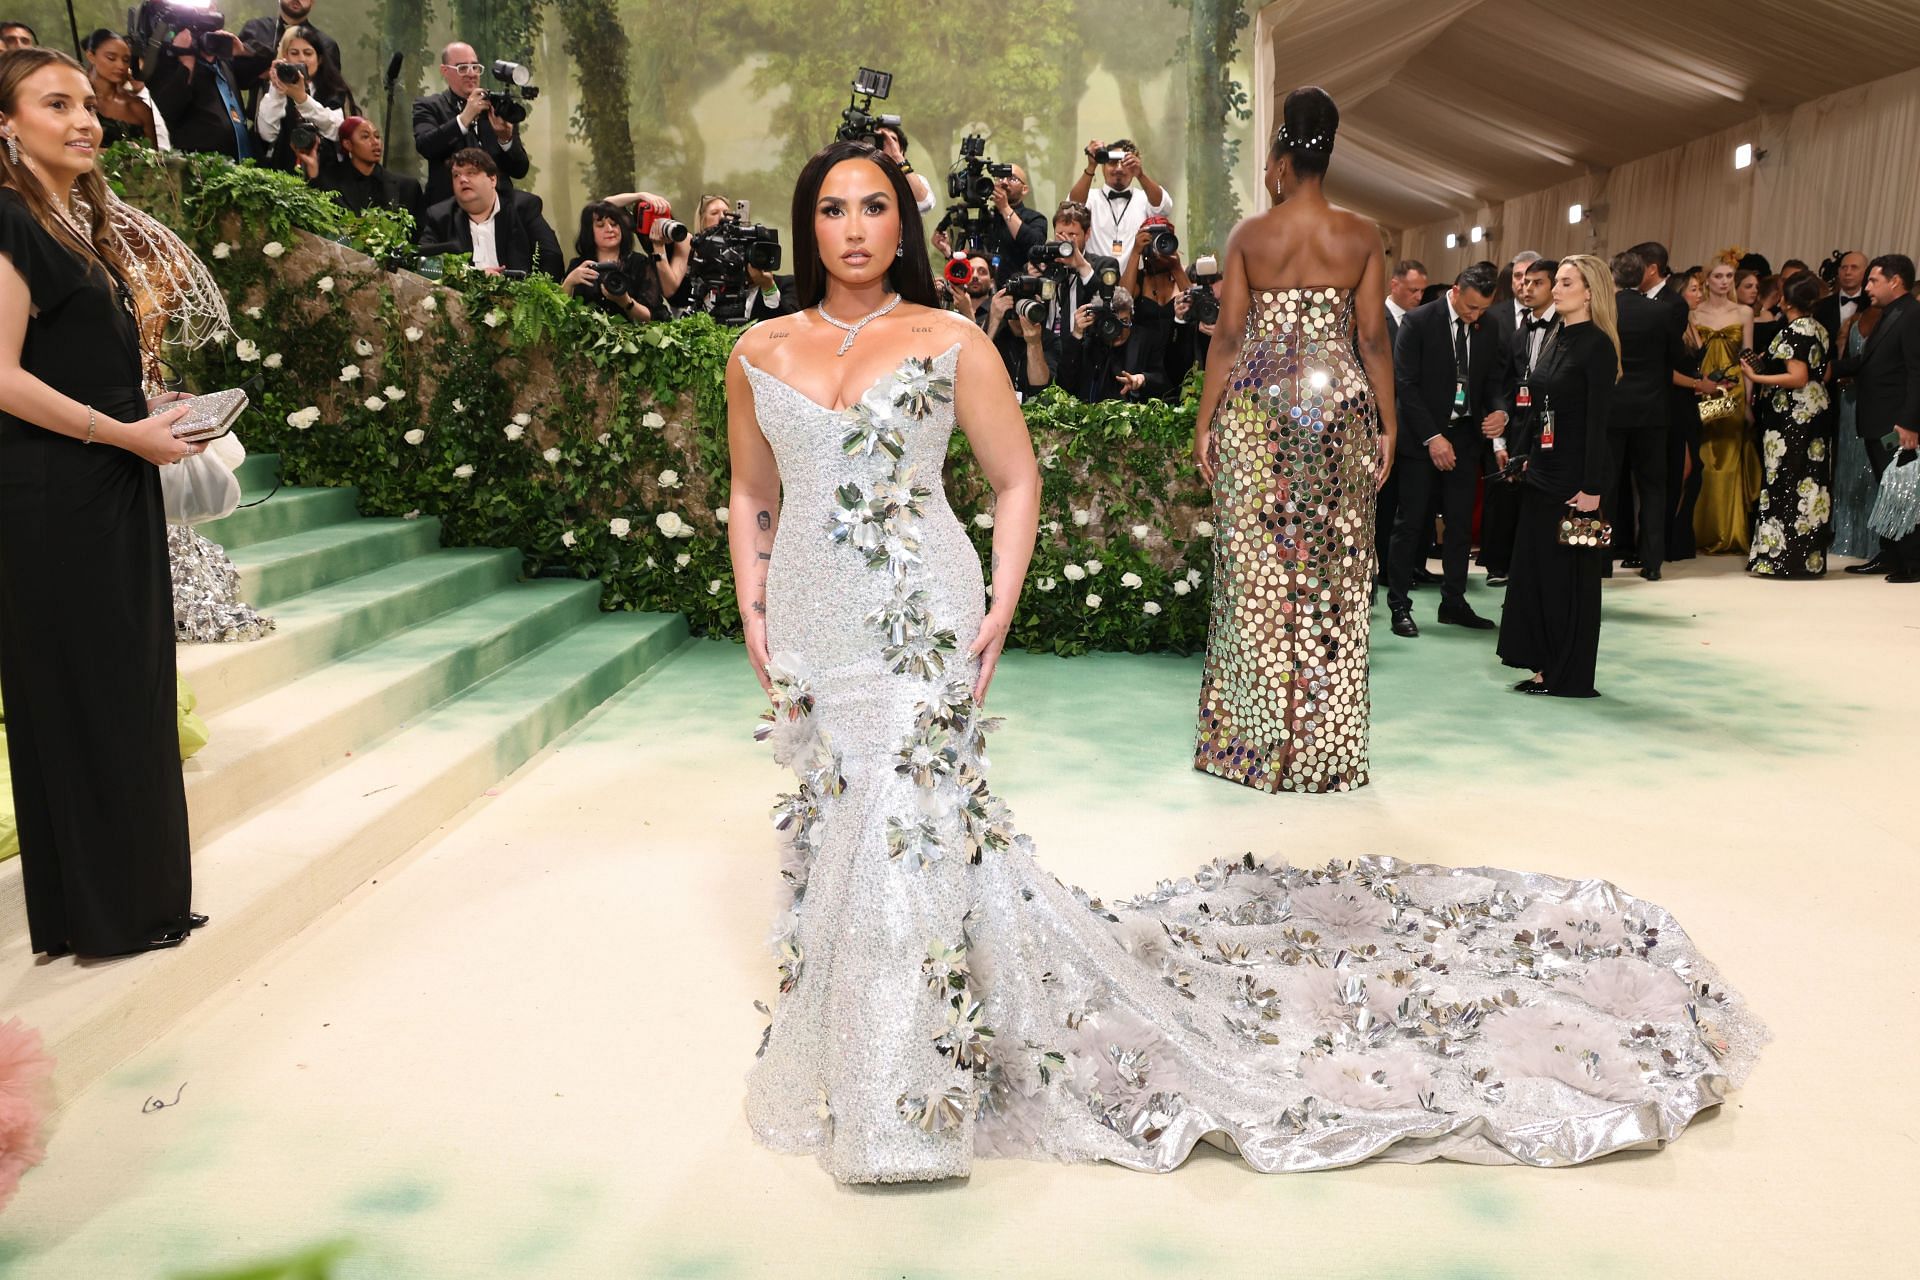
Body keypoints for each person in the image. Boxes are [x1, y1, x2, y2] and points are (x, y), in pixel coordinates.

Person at [728, 134, 1764, 1187]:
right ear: (807, 225)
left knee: (903, 831)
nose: (853, 229)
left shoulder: (950, 338)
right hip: (817, 625)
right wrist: (753, 598)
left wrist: (997, 601)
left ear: (902, 224)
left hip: (921, 618)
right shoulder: (759, 350)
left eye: (872, 207)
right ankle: (878, 1029)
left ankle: (900, 1108)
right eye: (831, 210)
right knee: (849, 820)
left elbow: (1013, 478)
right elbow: (753, 493)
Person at [0, 48, 208, 958]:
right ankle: (105, 913)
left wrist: (147, 413)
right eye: (57, 104)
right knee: (87, 695)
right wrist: (124, 434)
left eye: (88, 103)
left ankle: (136, 900)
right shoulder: (9, 221)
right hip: (57, 499)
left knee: (127, 693)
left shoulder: (72, 221)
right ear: (7, 125)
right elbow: (0, 379)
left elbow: (75, 363)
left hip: (105, 483)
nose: (85, 119)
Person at [1189, 86, 1394, 792]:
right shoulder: (1363, 234)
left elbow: (1227, 337)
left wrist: (1205, 422)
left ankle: (1250, 745)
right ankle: (1323, 748)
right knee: (1333, 570)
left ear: (1279, 157)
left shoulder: (1251, 236)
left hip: (1259, 401)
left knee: (1255, 570)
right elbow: (1370, 337)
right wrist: (1388, 424)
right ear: (1329, 156)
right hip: (1336, 404)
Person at [1498, 255, 1619, 698]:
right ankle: (1544, 666)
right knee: (1536, 573)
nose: (1558, 288)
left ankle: (1568, 675)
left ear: (1590, 292)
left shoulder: (1598, 346)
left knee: (1569, 577)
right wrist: (1526, 453)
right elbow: (1537, 405)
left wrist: (1592, 489)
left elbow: (1597, 426)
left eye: (1567, 282)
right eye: (1560, 281)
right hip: (1543, 471)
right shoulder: (1554, 337)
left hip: (1575, 478)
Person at [1386, 260, 1507, 638]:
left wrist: (1500, 411)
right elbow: (1405, 386)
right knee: (1410, 525)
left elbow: (1494, 380)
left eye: (1483, 309)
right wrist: (1432, 438)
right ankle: (1399, 605)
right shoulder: (1419, 322)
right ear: (1455, 291)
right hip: (1422, 441)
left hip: (1466, 439)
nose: (1475, 316)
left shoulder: (1490, 326)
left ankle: (1453, 601)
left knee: (1458, 528)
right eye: (1471, 307)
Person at [1741, 271, 1835, 577]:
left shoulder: (1795, 330)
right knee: (1809, 482)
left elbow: (1797, 376)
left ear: (1785, 298)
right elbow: (1825, 371)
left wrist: (1757, 377)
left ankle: (1780, 558)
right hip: (1815, 409)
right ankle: (1806, 559)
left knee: (1785, 480)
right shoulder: (1818, 328)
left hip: (1793, 415)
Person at [1833, 254, 1920, 580]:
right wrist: (1830, 369)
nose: (1867, 286)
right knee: (1888, 490)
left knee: (1902, 490)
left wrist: (1911, 423)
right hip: (1879, 418)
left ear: (1895, 281)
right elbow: (1868, 361)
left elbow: (1917, 372)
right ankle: (1891, 555)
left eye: (1873, 280)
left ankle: (1912, 561)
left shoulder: (1912, 315)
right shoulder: (1889, 313)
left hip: (1896, 422)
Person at [1605, 250, 1688, 581]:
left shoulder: (1606, 313)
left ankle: (1599, 558)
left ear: (1613, 277)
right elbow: (1675, 356)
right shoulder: (1662, 312)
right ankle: (1652, 561)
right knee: (1654, 486)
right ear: (1642, 276)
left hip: (1611, 408)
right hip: (1653, 409)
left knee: (1606, 486)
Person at [1482, 256, 1559, 584]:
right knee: (1507, 493)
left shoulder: (1567, 330)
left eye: (1537, 282)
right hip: (1518, 425)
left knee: (1546, 499)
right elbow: (1504, 385)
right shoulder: (1519, 332)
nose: (1527, 289)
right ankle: (1502, 564)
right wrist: (1499, 438)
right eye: (1524, 282)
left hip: (1553, 424)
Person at [1689, 257, 1757, 553]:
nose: (1725, 281)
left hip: (1734, 390)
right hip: (1703, 389)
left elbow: (1748, 357)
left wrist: (1749, 399)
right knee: (1703, 456)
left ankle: (1730, 531)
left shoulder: (1744, 312)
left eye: (1729, 276)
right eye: (1718, 276)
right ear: (1708, 280)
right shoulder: (1693, 314)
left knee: (1730, 458)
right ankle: (1700, 531)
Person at [412, 41, 530, 209]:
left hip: (499, 210)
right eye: (462, 68)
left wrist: (505, 139)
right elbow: (426, 146)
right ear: (445, 71)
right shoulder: (429, 106)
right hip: (450, 209)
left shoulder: (497, 109)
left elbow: (520, 169)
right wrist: (464, 119)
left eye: (475, 67)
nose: (471, 73)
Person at [419, 147, 563, 280]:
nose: (462, 179)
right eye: (456, 175)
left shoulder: (522, 208)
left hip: (516, 300)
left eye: (471, 173)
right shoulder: (440, 216)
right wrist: (472, 275)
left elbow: (552, 258)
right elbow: (422, 265)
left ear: (492, 179)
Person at [253, 24, 356, 174]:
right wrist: (277, 90)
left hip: (327, 174)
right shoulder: (275, 90)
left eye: (308, 53)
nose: (302, 59)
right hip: (282, 173)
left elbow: (337, 130)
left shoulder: (333, 89)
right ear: (284, 57)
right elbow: (267, 133)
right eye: (294, 53)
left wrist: (303, 99)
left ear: (319, 59)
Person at [146, 24, 253, 161]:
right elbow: (168, 110)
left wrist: (243, 51)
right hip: (201, 169)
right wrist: (186, 63)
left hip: (243, 166)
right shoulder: (169, 65)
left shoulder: (225, 63)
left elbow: (269, 64)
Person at [1116, 215, 1190, 401]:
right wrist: (1135, 252)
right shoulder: (1140, 279)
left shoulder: (1180, 273)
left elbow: (1194, 304)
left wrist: (1176, 267)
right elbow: (1122, 300)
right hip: (1143, 359)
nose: (1160, 246)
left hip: (1176, 354)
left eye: (1164, 240)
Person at [1068, 137, 1173, 267]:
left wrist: (1140, 175)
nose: (1119, 168)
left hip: (1136, 282)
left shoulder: (1144, 198)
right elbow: (1070, 209)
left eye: (1125, 163)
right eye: (1112, 162)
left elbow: (1164, 208)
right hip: (1094, 280)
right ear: (1103, 167)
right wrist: (1091, 166)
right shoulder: (1091, 197)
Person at [1830, 299, 1881, 559]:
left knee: (1875, 470)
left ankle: (1878, 541)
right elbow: (1845, 358)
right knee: (1849, 468)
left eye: (1873, 280)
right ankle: (1848, 536)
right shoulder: (1854, 319)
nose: (1868, 287)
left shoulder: (1900, 320)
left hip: (1881, 403)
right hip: (1850, 403)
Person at [933, 162, 1046, 276]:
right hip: (984, 290)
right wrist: (948, 253)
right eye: (1000, 177)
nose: (1004, 182)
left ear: (1024, 189)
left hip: (1018, 288)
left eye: (1012, 178)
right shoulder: (986, 217)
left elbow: (1035, 244)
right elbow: (975, 262)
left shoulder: (1035, 218)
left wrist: (1005, 207)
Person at [308, 117, 424, 228]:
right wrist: (312, 167)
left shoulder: (408, 188)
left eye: (377, 136)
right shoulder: (329, 182)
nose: (375, 142)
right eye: (365, 137)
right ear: (347, 144)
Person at [561, 201, 660, 323]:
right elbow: (561, 312)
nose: (609, 229)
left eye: (614, 224)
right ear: (589, 231)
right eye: (601, 225)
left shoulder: (639, 263)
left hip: (631, 337)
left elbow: (652, 318)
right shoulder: (579, 265)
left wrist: (626, 302)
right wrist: (569, 282)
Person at [81, 29, 158, 148]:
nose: (121, 66)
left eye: (126, 60)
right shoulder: (75, 102)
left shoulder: (139, 107)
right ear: (91, 56)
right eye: (111, 58)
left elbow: (155, 159)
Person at [1813, 251, 1868, 351]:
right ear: (1838, 271)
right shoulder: (1822, 305)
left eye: (1854, 267)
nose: (1848, 272)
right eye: (1844, 268)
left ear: (1865, 272)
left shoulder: (1872, 305)